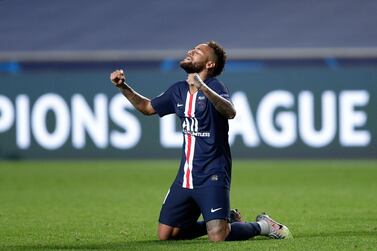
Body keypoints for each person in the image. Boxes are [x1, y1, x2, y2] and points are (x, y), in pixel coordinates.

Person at [110, 41, 291, 242]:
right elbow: (146, 107)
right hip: (185, 177)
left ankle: (264, 225)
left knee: (218, 237)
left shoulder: (215, 87)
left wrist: (203, 87)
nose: (190, 52)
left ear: (209, 64)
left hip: (212, 174)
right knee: (166, 236)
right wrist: (122, 86)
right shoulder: (178, 90)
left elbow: (230, 112)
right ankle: (227, 219)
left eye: (197, 51)